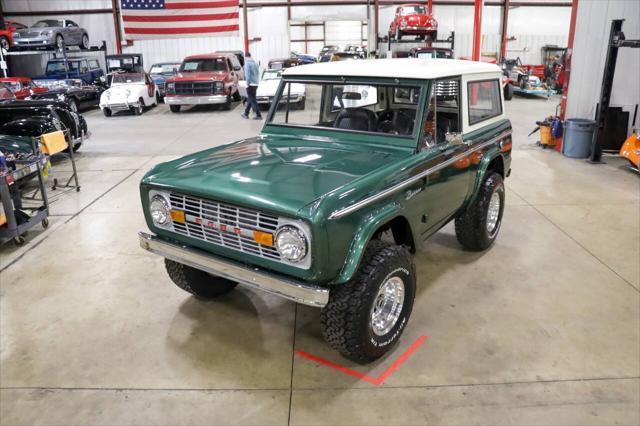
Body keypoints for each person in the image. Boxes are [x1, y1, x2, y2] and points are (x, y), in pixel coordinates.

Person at [241, 52, 261, 120]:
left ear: (245, 57)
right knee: (250, 99)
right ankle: (246, 113)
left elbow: (247, 75)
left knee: (253, 100)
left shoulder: (247, 64)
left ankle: (258, 115)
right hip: (256, 83)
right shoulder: (255, 63)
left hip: (250, 84)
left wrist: (247, 83)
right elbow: (258, 73)